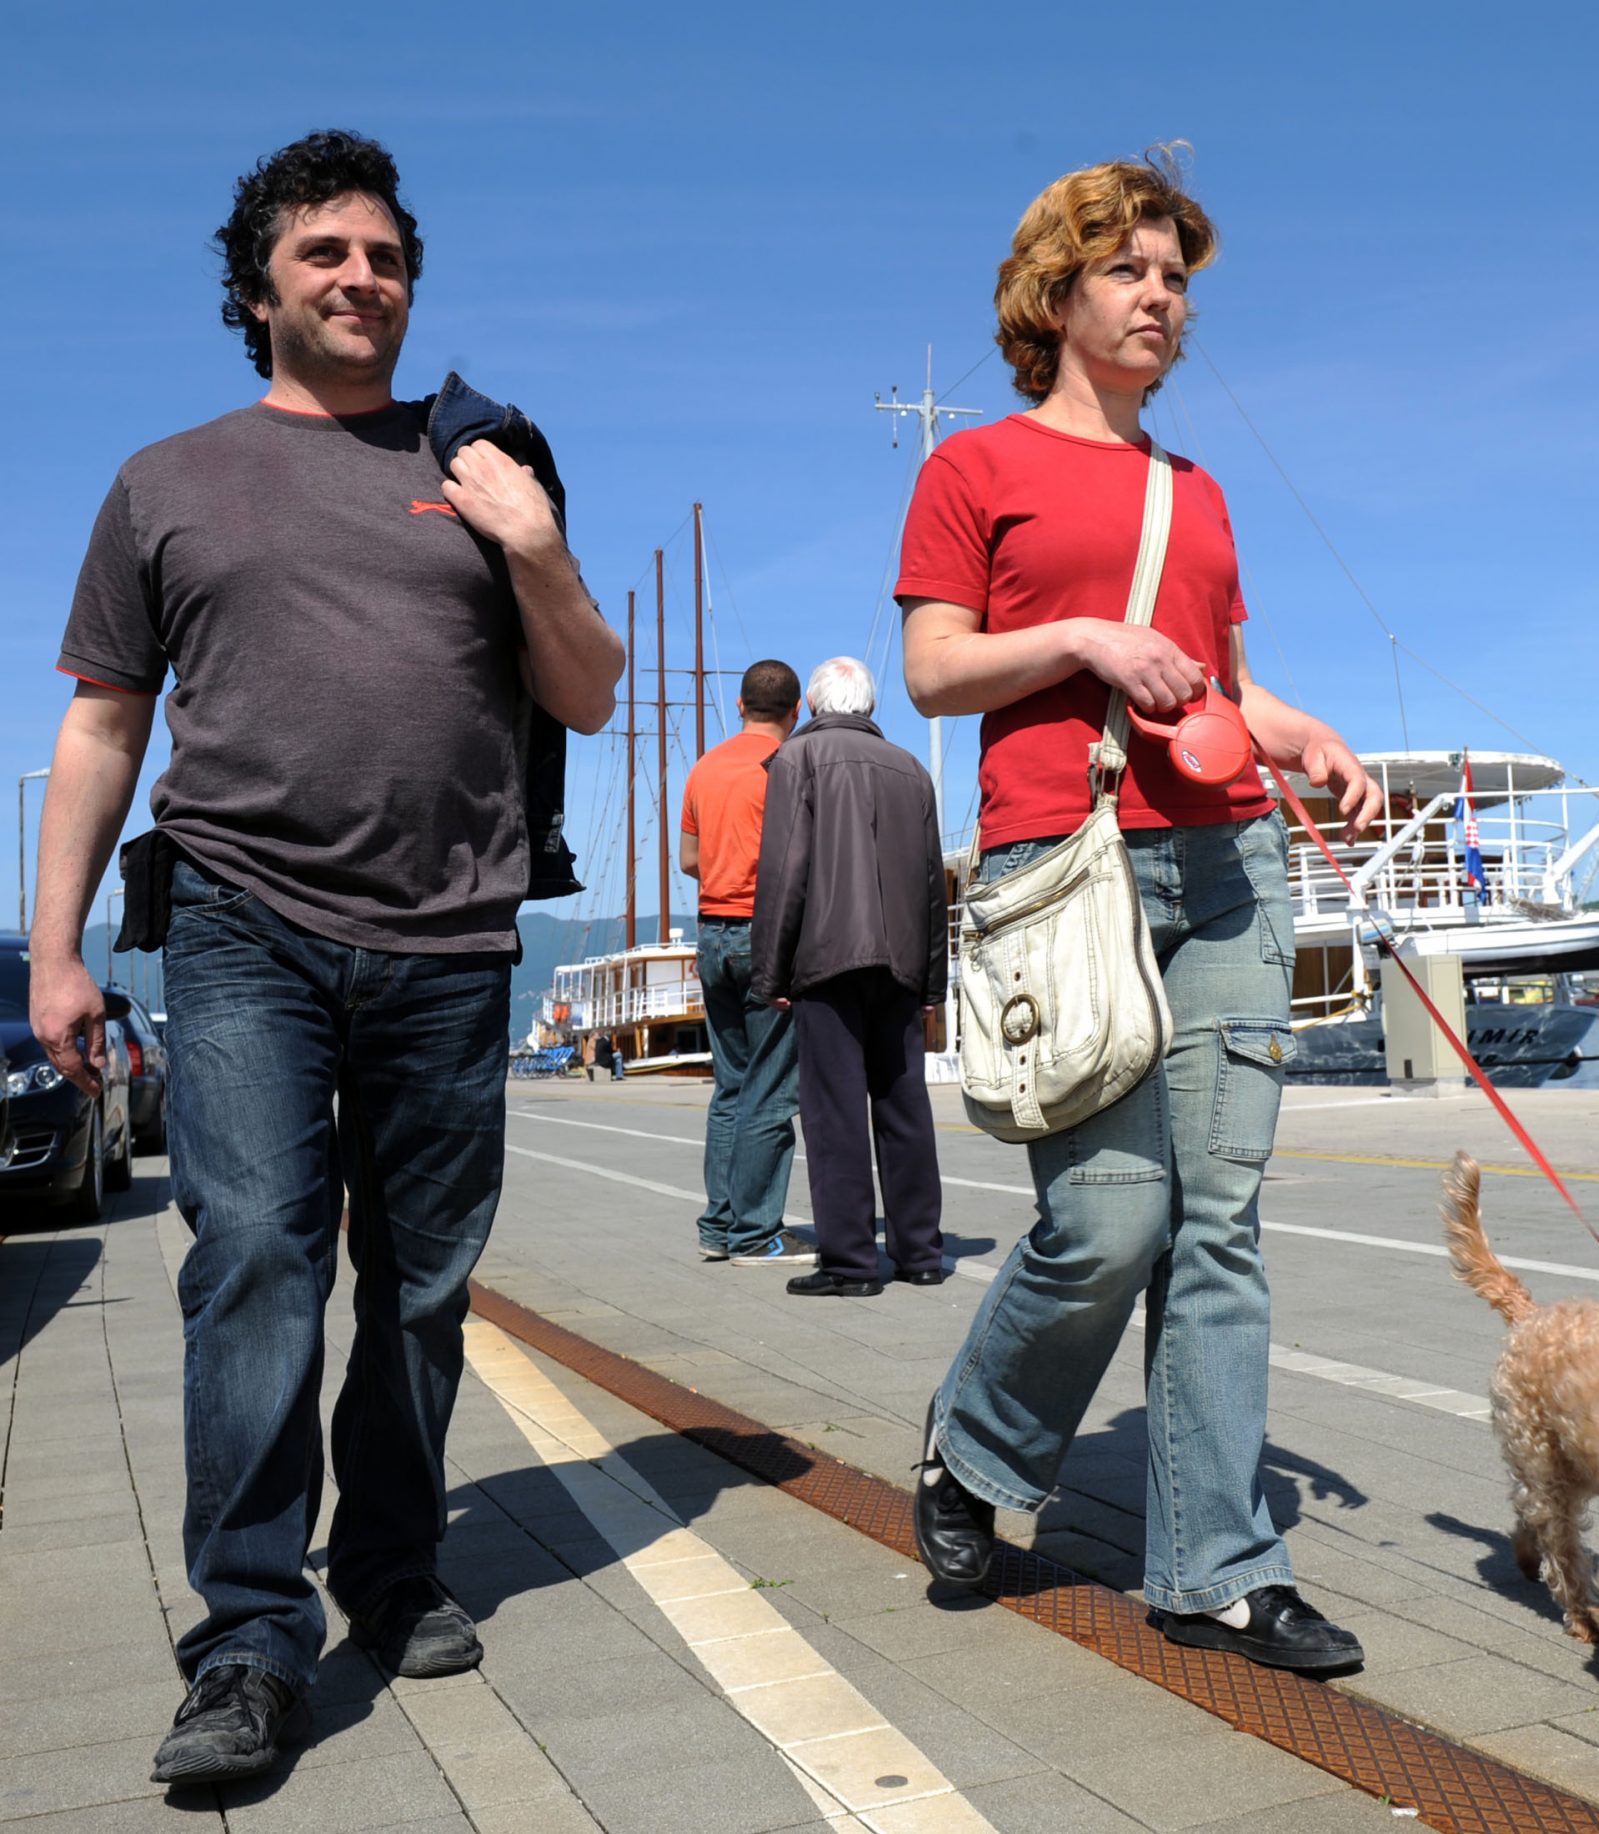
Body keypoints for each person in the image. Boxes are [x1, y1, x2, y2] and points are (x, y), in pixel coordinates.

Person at [30, 131, 623, 1785]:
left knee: (422, 1288)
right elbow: (101, 724)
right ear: (258, 286)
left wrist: (536, 543)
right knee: (255, 1260)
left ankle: (390, 1562)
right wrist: (56, 950)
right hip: (241, 922)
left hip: (451, 933)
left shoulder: (486, 459)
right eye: (325, 255)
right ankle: (245, 1635)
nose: (363, 278)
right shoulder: (168, 479)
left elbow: (583, 689)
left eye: (385, 256)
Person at [896, 151, 1383, 1670]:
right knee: (1111, 1221)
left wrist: (1302, 732)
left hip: (1230, 862)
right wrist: (1087, 638)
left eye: (1175, 277)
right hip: (1070, 869)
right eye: (1132, 271)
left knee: (1221, 1229)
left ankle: (1220, 1565)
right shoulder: (973, 468)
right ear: (1059, 293)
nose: (1163, 297)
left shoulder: (1198, 491)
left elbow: (1221, 680)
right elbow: (935, 669)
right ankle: (975, 1449)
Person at [749, 658, 947, 1298]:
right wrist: (933, 985)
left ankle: (851, 1263)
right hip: (901, 962)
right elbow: (930, 884)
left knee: (833, 1113)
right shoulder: (912, 771)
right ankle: (919, 1252)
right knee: (904, 1107)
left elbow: (784, 875)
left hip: (827, 959)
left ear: (811, 704)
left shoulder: (795, 762)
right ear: (867, 706)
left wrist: (770, 972)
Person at [679, 657, 813, 1266]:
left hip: (711, 933)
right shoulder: (786, 767)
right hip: (767, 934)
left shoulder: (705, 768)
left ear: (738, 705)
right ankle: (756, 1234)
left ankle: (719, 1224)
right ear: (797, 710)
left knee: (730, 1085)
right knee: (772, 1089)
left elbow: (688, 859)